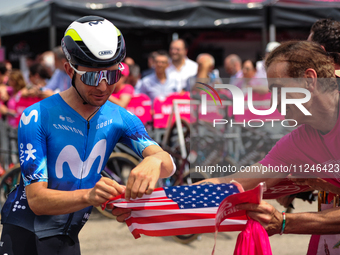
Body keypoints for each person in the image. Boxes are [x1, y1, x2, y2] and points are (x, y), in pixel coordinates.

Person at [113, 41, 340, 239]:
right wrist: (140, 204)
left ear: (309, 79)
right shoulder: (299, 140)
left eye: (279, 89)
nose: (273, 101)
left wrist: (285, 222)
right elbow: (230, 184)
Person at [0, 16, 175, 255]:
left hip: (69, 237)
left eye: (112, 76)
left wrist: (154, 161)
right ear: (68, 69)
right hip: (25, 236)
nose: (103, 87)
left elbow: (167, 163)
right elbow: (37, 201)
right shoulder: (37, 116)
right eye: (93, 76)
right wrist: (90, 195)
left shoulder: (120, 118)